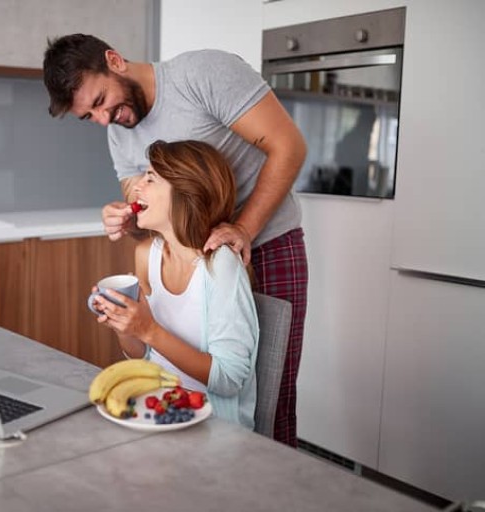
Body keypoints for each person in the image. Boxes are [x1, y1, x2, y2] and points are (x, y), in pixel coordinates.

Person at [43, 34, 308, 447]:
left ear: (114, 61)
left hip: (266, 239)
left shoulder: (202, 74)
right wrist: (127, 220)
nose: (101, 120)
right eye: (88, 116)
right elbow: (145, 213)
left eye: (99, 102)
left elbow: (289, 146)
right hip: (189, 254)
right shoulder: (119, 132)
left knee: (271, 400)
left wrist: (243, 230)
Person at [90, 139, 258, 428]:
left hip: (212, 426)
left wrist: (149, 330)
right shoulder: (146, 255)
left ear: (185, 193)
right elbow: (141, 354)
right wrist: (126, 325)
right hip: (157, 410)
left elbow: (230, 380)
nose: (137, 187)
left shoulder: (220, 266)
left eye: (150, 178)